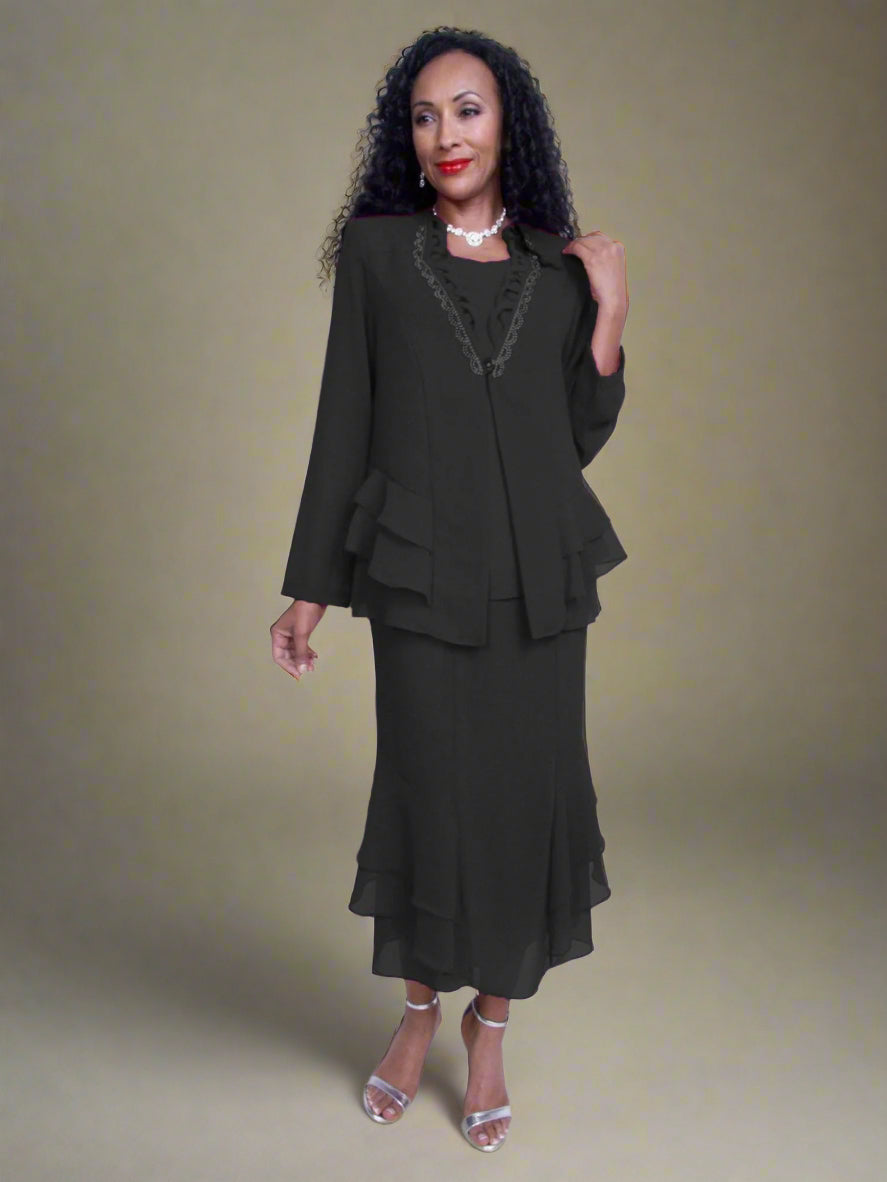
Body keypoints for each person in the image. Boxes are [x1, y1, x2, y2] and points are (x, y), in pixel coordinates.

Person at [270, 26, 629, 1153]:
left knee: (524, 805)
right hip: (420, 575)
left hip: (538, 582)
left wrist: (610, 312)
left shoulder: (555, 267)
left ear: (506, 123)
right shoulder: (378, 255)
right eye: (423, 116)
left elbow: (574, 433)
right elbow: (343, 424)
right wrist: (309, 589)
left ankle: (489, 1029)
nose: (445, 135)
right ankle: (419, 1012)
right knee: (429, 795)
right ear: (407, 137)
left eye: (466, 110)